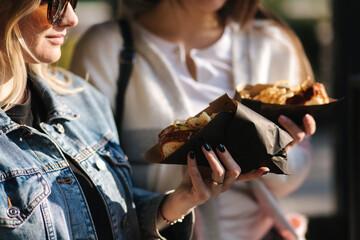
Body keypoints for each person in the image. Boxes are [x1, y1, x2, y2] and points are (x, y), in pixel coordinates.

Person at [0, 1, 269, 240]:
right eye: (54, 4)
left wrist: (178, 201)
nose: (71, 18)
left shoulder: (83, 99)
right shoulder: (106, 51)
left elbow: (106, 215)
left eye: (73, 1)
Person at [70, 0, 317, 239]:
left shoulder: (272, 44)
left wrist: (281, 150)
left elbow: (289, 182)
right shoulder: (106, 48)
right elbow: (90, 186)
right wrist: (183, 184)